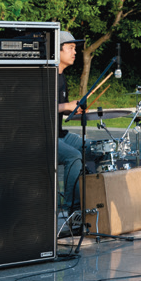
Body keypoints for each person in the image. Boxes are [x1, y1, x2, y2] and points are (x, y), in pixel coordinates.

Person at [56, 30, 86, 215]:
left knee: (95, 149)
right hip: (44, 138)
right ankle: (70, 211)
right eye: (71, 48)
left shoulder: (62, 77)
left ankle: (92, 203)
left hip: (61, 134)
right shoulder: (46, 76)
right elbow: (36, 109)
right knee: (73, 156)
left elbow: (60, 108)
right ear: (57, 51)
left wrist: (72, 109)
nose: (75, 52)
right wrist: (65, 105)